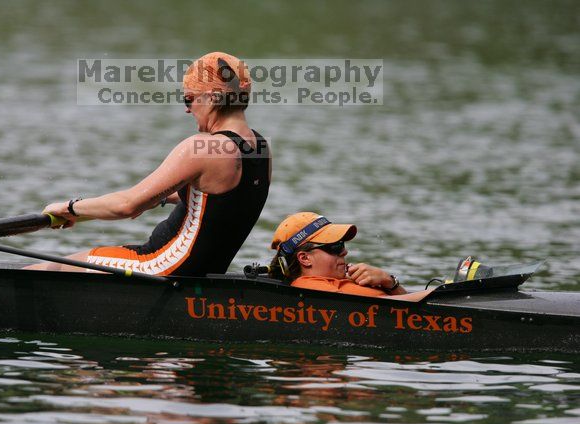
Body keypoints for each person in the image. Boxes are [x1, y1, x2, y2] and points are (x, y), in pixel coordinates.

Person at [28, 52, 271, 276]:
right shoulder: (261, 148)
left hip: (161, 266)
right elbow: (222, 201)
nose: (187, 110)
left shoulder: (204, 147)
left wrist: (68, 208)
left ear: (213, 97)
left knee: (46, 269)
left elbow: (126, 205)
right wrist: (159, 197)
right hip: (204, 273)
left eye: (188, 99)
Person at [269, 212, 407, 296]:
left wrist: (390, 283)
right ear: (305, 258)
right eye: (335, 246)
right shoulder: (313, 288)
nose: (344, 252)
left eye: (342, 244)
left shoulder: (342, 281)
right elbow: (413, 308)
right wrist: (387, 279)